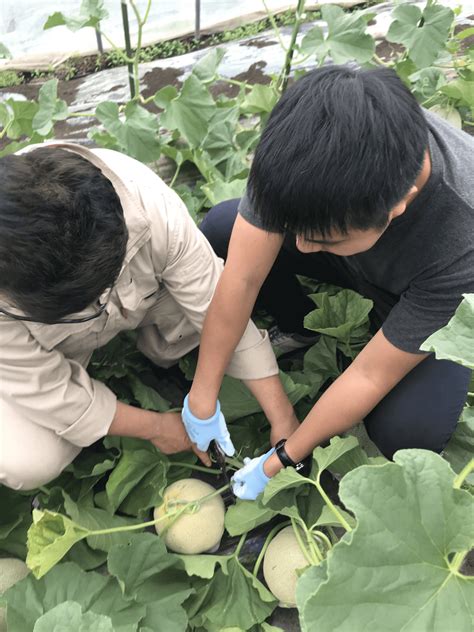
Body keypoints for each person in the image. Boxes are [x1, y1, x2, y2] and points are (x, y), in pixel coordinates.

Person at [181, 65, 474, 500]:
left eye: (322, 239)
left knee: (405, 430)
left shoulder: (461, 232)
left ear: (399, 206)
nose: (300, 244)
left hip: (430, 297)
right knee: (224, 227)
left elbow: (370, 376)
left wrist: (282, 457)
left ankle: (386, 326)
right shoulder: (300, 148)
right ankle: (298, 322)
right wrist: (201, 395)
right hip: (362, 259)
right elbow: (241, 278)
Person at [0, 142, 298, 491]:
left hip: (146, 301)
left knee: (214, 316)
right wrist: (156, 428)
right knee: (28, 461)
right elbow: (48, 392)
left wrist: (282, 415)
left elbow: (220, 309)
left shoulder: (145, 203)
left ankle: (161, 353)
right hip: (48, 350)